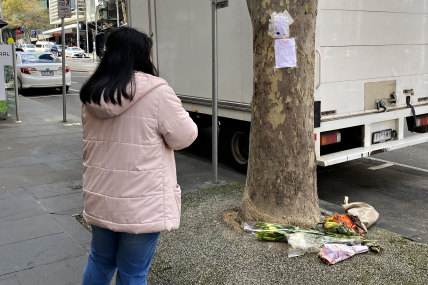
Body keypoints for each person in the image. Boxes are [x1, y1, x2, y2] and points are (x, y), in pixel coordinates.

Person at [80, 27, 198, 285]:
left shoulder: (92, 91)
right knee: (133, 272)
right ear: (143, 55)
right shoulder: (157, 91)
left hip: (101, 196)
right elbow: (184, 136)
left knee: (99, 261)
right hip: (140, 203)